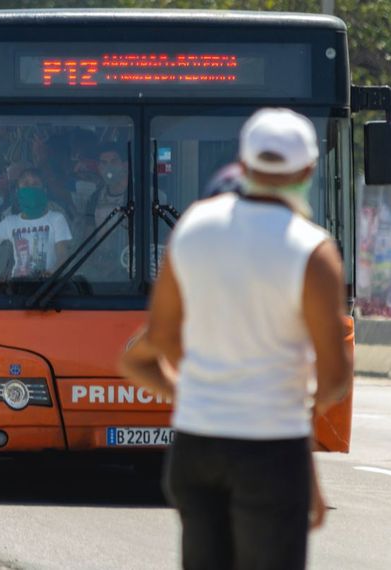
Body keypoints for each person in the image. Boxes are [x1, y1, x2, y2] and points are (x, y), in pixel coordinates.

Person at [120, 109, 352, 569]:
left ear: (243, 166)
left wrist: (199, 391)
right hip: (269, 450)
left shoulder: (194, 227)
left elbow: (161, 336)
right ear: (308, 171)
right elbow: (334, 375)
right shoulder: (313, 250)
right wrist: (303, 407)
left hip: (196, 446)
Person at [0, 169, 72, 278]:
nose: (31, 188)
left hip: (47, 287)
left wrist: (47, 276)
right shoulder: (8, 219)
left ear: (43, 189)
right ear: (17, 190)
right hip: (17, 289)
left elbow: (63, 255)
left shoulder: (57, 216)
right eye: (25, 184)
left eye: (35, 184)